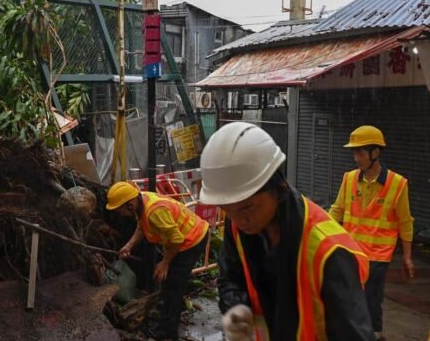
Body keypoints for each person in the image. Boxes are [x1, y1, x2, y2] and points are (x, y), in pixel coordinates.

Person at [200, 122, 374, 341]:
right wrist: (235, 312)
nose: (238, 220)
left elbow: (354, 333)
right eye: (227, 209)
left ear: (279, 189)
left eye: (247, 207)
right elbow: (231, 276)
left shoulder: (329, 252)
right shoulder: (239, 225)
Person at [329, 125, 415, 340]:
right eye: (354, 152)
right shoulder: (349, 179)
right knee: (348, 297)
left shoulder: (397, 184)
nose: (355, 158)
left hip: (378, 256)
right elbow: (336, 211)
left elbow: (405, 222)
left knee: (370, 299)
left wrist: (407, 257)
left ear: (375, 153)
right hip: (351, 252)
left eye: (360, 152)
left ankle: (374, 335)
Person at [106, 181, 209, 341]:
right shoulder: (142, 202)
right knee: (170, 283)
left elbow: (177, 239)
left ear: (130, 204)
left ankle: (168, 334)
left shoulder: (155, 212)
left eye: (119, 210)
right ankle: (173, 311)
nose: (120, 213)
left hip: (191, 240)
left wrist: (165, 263)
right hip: (183, 240)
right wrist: (129, 245)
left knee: (172, 285)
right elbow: (142, 226)